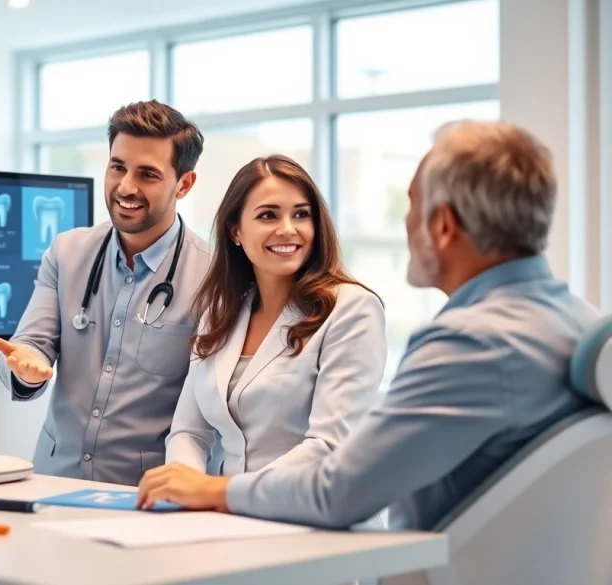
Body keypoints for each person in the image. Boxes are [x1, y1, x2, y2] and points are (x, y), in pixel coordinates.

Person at [137, 119, 600, 531]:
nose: (404, 220)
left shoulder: (470, 343)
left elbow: (338, 490)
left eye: (413, 204)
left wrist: (213, 492)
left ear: (443, 226)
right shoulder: (579, 323)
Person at [0, 100, 214, 487]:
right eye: (118, 167)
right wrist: (25, 367)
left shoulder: (213, 276)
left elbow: (208, 407)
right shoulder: (67, 252)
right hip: (54, 483)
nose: (126, 187)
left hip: (145, 494)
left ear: (184, 183)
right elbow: (30, 345)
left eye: (147, 174)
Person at [146, 154, 387, 508]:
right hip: (230, 520)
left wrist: (216, 493)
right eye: (268, 215)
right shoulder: (221, 311)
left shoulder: (352, 309)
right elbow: (189, 431)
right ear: (236, 231)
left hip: (313, 520)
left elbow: (328, 445)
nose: (288, 228)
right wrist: (183, 492)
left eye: (301, 214)